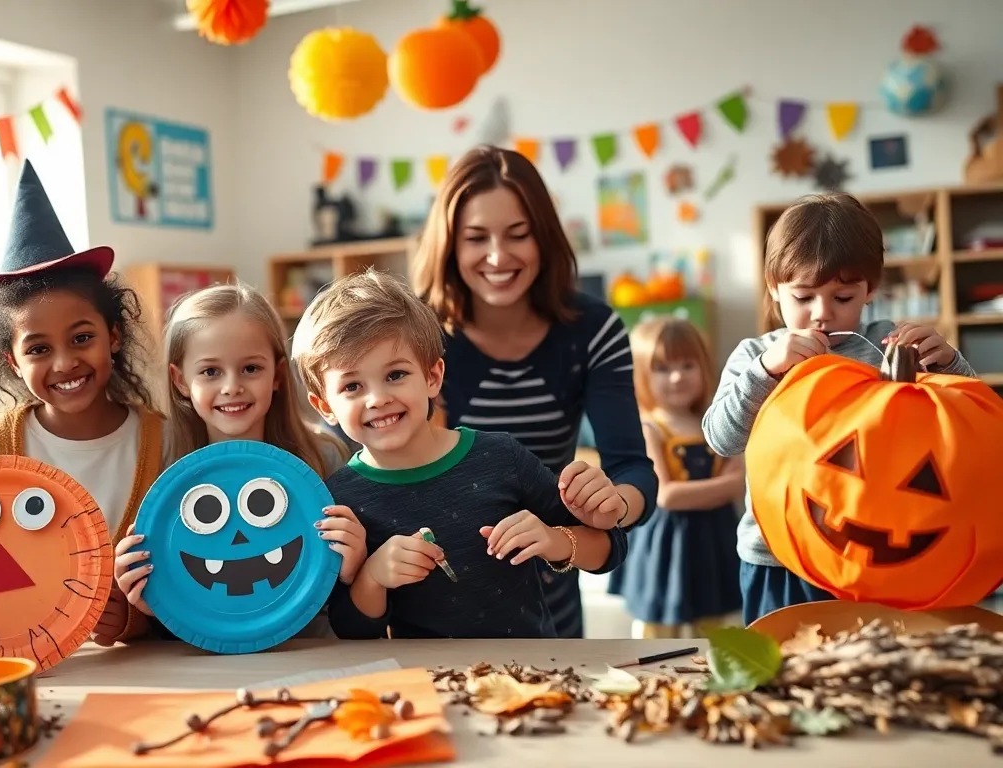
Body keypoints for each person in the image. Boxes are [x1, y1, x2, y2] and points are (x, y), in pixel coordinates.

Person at [292, 269, 628, 639]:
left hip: (532, 675)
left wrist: (554, 539)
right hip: (432, 687)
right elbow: (350, 630)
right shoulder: (338, 500)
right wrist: (373, 575)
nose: (377, 399)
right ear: (324, 405)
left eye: (395, 375)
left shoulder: (502, 457)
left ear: (433, 376)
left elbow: (610, 548)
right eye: (352, 385)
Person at [412, 145, 656, 636]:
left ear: (543, 237)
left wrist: (614, 505)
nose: (498, 257)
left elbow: (633, 468)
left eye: (518, 235)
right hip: (436, 607)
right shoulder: (415, 330)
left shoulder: (592, 328)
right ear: (450, 245)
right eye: (476, 238)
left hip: (553, 600)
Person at [702, 193, 976, 626]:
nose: (822, 314)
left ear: (871, 289)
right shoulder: (756, 354)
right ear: (774, 287)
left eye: (842, 297)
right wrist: (766, 371)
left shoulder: (892, 345)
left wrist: (949, 364)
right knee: (782, 675)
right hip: (777, 557)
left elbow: (968, 430)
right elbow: (722, 438)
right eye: (804, 297)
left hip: (877, 558)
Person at [0, 161, 162, 645]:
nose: (65, 362)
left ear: (113, 336)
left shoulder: (162, 438)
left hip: (146, 670)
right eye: (38, 349)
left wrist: (136, 620)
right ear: (12, 360)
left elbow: (186, 568)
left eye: (82, 338)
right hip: (29, 667)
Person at [113, 284, 364, 637]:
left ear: (276, 375)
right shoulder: (163, 478)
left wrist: (354, 566)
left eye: (250, 368)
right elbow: (183, 598)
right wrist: (150, 604)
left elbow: (348, 604)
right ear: (180, 380)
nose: (232, 386)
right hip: (205, 668)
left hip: (314, 654)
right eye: (210, 372)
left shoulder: (324, 458)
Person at [613, 318, 742, 638]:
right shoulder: (649, 428)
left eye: (688, 365)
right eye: (661, 368)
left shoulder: (714, 422)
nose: (677, 377)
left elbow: (739, 476)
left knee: (715, 624)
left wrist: (731, 484)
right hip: (665, 543)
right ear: (641, 375)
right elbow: (666, 496)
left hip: (713, 540)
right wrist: (727, 486)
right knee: (658, 628)